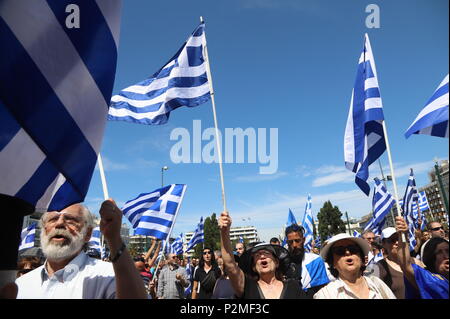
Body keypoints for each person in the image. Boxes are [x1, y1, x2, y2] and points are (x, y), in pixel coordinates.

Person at [15, 201, 147, 299]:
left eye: (70, 220)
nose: (60, 224)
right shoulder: (21, 284)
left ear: (88, 234)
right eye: (53, 219)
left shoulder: (109, 276)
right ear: (44, 230)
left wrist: (114, 239)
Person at [219, 211, 306, 299]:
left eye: (267, 253)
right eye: (257, 255)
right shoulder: (247, 287)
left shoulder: (293, 287)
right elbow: (230, 265)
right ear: (253, 267)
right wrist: (224, 232)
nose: (262, 256)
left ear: (276, 262)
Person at [314, 233, 396, 299]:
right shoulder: (325, 295)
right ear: (332, 263)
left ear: (361, 258)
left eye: (353, 249)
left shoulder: (377, 284)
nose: (347, 253)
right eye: (340, 251)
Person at [395, 216, 448, 299]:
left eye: (448, 251)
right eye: (439, 252)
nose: (446, 256)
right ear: (432, 259)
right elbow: (406, 265)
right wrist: (403, 234)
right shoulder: (431, 281)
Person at [284, 224, 329, 297]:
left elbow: (323, 289)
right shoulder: (282, 263)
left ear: (303, 240)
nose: (294, 245)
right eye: (290, 242)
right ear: (287, 242)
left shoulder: (315, 261)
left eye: (297, 241)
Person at [373, 227, 406, 299]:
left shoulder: (415, 262)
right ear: (383, 244)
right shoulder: (378, 267)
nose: (397, 243)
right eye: (392, 240)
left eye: (398, 239)